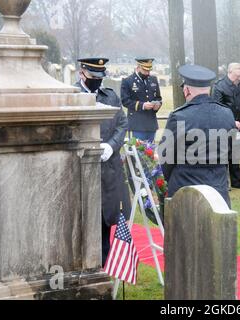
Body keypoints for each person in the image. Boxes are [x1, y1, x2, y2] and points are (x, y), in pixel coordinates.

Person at [75, 58, 131, 266]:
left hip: (107, 167)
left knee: (105, 217)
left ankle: (104, 265)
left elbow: (122, 123)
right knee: (83, 218)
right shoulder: (71, 95)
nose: (97, 81)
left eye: (100, 77)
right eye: (93, 77)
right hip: (80, 167)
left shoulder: (110, 96)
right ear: (82, 73)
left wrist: (112, 145)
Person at [159, 64, 236, 207]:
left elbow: (166, 157)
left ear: (187, 90)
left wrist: (168, 180)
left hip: (185, 190)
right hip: (218, 189)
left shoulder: (179, 116)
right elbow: (234, 151)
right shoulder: (227, 113)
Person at [212, 63, 240, 189]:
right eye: (237, 77)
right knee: (224, 154)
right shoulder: (219, 86)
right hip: (224, 126)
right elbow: (216, 108)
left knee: (236, 154)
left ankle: (236, 181)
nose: (239, 79)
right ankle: (223, 182)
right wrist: (231, 121)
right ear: (230, 72)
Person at [121, 57, 162, 143]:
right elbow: (125, 101)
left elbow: (158, 98)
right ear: (138, 67)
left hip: (151, 122)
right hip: (137, 123)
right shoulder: (128, 81)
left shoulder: (153, 79)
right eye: (145, 70)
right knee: (139, 152)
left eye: (149, 70)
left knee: (150, 152)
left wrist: (158, 105)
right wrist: (142, 105)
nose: (147, 73)